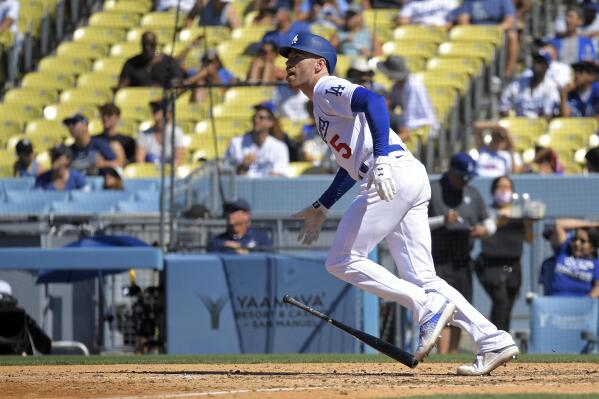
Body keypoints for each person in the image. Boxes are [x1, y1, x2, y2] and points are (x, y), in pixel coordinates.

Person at [280, 32, 518, 375]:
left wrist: (382, 160)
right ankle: (491, 338)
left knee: (342, 260)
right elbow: (350, 167)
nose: (288, 63)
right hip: (404, 176)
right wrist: (322, 205)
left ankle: (425, 305)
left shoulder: (324, 87)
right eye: (287, 58)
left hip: (389, 173)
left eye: (296, 56)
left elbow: (375, 102)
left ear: (319, 65)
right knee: (423, 277)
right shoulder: (318, 104)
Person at [427, 152, 497, 355]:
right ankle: (441, 354)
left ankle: (452, 354)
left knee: (459, 311)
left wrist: (485, 230)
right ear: (450, 170)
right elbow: (416, 224)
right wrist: (443, 220)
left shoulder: (472, 193)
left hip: (462, 261)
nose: (464, 181)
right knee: (441, 310)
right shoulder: (433, 190)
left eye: (468, 177)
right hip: (438, 260)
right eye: (461, 176)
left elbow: (488, 221)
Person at [475, 176, 532, 332]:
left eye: (508, 187)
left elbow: (529, 239)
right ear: (493, 191)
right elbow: (482, 232)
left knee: (509, 304)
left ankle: (504, 337)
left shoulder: (519, 212)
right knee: (500, 300)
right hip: (491, 264)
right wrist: (500, 220)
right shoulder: (486, 212)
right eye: (500, 187)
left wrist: (528, 223)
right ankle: (496, 338)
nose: (504, 191)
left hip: (513, 265)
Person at [377, 55, 436, 143]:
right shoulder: (397, 86)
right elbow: (390, 104)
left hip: (421, 126)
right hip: (409, 123)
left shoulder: (413, 85)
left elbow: (411, 117)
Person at [456, 0, 519, 79]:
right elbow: (463, 20)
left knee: (512, 36)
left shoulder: (503, 1)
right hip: (474, 34)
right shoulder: (469, 1)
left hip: (496, 34)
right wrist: (474, 33)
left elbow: (509, 21)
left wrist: (495, 30)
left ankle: (508, 72)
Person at [225, 105, 290, 177]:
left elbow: (279, 175)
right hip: (241, 186)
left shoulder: (279, 147)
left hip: (267, 187)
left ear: (270, 122)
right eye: (255, 116)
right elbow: (225, 174)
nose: (256, 120)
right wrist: (242, 166)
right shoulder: (236, 143)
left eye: (261, 118)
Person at [541, 219, 599, 297]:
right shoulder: (563, 251)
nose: (577, 243)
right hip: (555, 303)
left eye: (583, 241)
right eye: (575, 239)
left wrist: (586, 302)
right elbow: (559, 224)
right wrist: (590, 225)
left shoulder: (596, 264)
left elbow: (597, 287)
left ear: (592, 247)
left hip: (581, 305)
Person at [499, 51, 561, 119]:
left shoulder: (551, 87)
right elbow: (503, 107)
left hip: (540, 126)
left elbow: (548, 115)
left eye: (540, 62)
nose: (536, 64)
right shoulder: (518, 83)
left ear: (547, 66)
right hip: (518, 125)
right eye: (535, 61)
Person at [118, 31, 185, 88]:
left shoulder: (169, 62)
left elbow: (177, 82)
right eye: (145, 44)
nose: (147, 48)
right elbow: (123, 84)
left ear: (156, 44)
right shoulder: (131, 63)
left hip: (162, 100)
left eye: (151, 44)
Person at [206, 198, 273, 253]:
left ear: (246, 216)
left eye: (234, 210)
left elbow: (269, 258)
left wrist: (246, 253)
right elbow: (212, 247)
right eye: (228, 211)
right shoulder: (218, 240)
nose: (230, 214)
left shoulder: (260, 238)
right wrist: (226, 244)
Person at [135, 101, 185, 168]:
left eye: (159, 111)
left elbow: (178, 159)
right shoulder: (144, 134)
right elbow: (140, 161)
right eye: (155, 111)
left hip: (169, 174)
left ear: (168, 114)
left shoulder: (176, 133)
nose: (156, 115)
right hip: (149, 174)